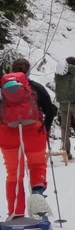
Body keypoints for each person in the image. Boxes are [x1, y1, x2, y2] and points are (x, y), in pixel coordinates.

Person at [0, 59, 56, 218]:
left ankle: (15, 213)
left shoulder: (1, 89)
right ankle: (38, 204)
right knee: (37, 166)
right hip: (34, 132)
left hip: (7, 135)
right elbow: (50, 111)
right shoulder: (36, 88)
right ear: (28, 72)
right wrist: (45, 128)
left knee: (13, 173)